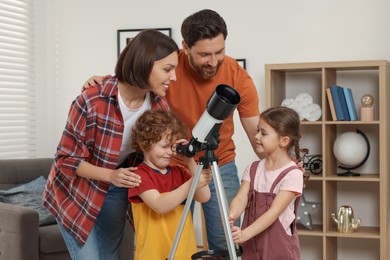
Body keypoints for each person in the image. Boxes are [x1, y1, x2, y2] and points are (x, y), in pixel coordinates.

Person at [82, 9, 260, 251]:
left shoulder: (238, 77)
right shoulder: (167, 70)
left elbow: (256, 134)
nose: (214, 61)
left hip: (220, 162)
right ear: (185, 47)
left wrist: (283, 166)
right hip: (171, 164)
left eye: (220, 51)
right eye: (204, 54)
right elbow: (132, 83)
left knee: (226, 240)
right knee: (173, 241)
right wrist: (104, 82)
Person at [42, 29, 179, 260]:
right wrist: (111, 176)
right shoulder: (92, 100)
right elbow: (65, 159)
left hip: (116, 187)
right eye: (167, 69)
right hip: (75, 190)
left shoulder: (159, 107)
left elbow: (160, 152)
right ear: (144, 64)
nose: (174, 77)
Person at [128, 109, 211, 259]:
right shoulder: (139, 175)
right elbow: (160, 205)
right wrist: (193, 182)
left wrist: (189, 159)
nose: (170, 152)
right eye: (164, 146)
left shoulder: (180, 172)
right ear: (144, 143)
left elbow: (204, 196)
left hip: (183, 252)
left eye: (172, 147)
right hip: (154, 254)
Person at [228, 106, 304, 259]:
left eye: (263, 133)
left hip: (278, 247)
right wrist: (232, 214)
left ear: (283, 141)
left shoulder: (292, 174)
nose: (256, 136)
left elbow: (274, 212)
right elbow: (242, 197)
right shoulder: (253, 168)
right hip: (252, 245)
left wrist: (245, 233)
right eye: (257, 131)